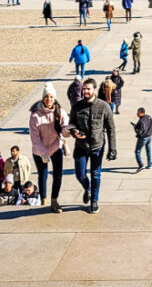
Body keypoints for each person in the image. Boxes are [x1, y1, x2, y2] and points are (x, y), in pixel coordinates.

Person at [69, 77, 117, 214]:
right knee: (80, 174)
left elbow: (111, 128)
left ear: (94, 90)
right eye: (84, 89)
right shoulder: (77, 107)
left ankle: (94, 201)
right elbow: (71, 124)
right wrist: (74, 132)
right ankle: (87, 188)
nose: (85, 91)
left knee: (96, 174)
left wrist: (112, 149)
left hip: (97, 146)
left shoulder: (103, 106)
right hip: (81, 146)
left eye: (88, 89)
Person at [29, 83, 68, 212]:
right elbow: (35, 138)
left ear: (54, 98)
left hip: (56, 146)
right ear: (43, 98)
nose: (49, 100)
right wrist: (43, 153)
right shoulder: (35, 116)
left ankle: (54, 200)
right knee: (43, 174)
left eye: (51, 97)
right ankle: (43, 198)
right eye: (46, 97)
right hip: (39, 150)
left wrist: (68, 131)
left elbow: (65, 127)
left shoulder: (60, 111)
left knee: (58, 174)